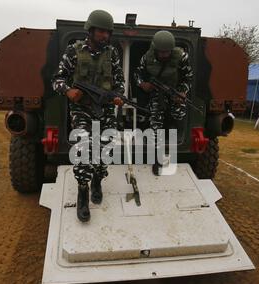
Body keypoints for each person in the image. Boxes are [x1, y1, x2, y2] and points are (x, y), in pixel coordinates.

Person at [52, 10, 125, 222]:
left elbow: (119, 82)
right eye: (101, 31)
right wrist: (68, 91)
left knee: (104, 150)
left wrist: (118, 96)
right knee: (84, 148)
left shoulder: (112, 54)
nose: (105, 36)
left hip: (106, 109)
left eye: (108, 32)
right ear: (91, 30)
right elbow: (57, 79)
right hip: (82, 108)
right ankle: (82, 192)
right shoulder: (73, 51)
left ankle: (97, 180)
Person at [134, 30, 194, 175]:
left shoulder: (182, 57)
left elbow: (189, 77)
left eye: (167, 52)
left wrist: (183, 92)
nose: (164, 55)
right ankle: (157, 159)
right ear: (155, 49)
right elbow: (137, 74)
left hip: (175, 92)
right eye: (161, 52)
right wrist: (143, 85)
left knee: (177, 118)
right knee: (156, 125)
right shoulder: (146, 58)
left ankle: (174, 147)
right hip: (156, 93)